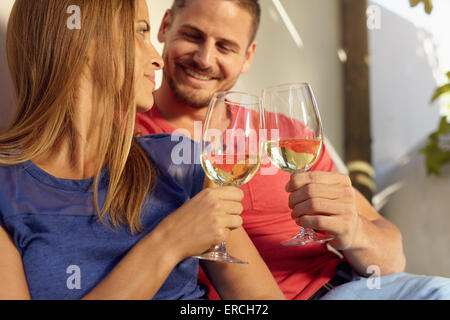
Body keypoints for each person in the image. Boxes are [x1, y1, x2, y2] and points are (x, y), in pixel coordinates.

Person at [136, 0, 450, 300]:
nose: (204, 59)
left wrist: (353, 230)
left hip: (346, 286)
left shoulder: (285, 134)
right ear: (165, 26)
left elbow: (393, 260)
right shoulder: (131, 134)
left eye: (225, 47)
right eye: (192, 36)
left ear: (248, 56)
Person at [0, 0, 286, 300]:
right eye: (140, 31)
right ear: (80, 40)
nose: (157, 59)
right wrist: (169, 242)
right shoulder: (8, 188)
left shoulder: (178, 162)